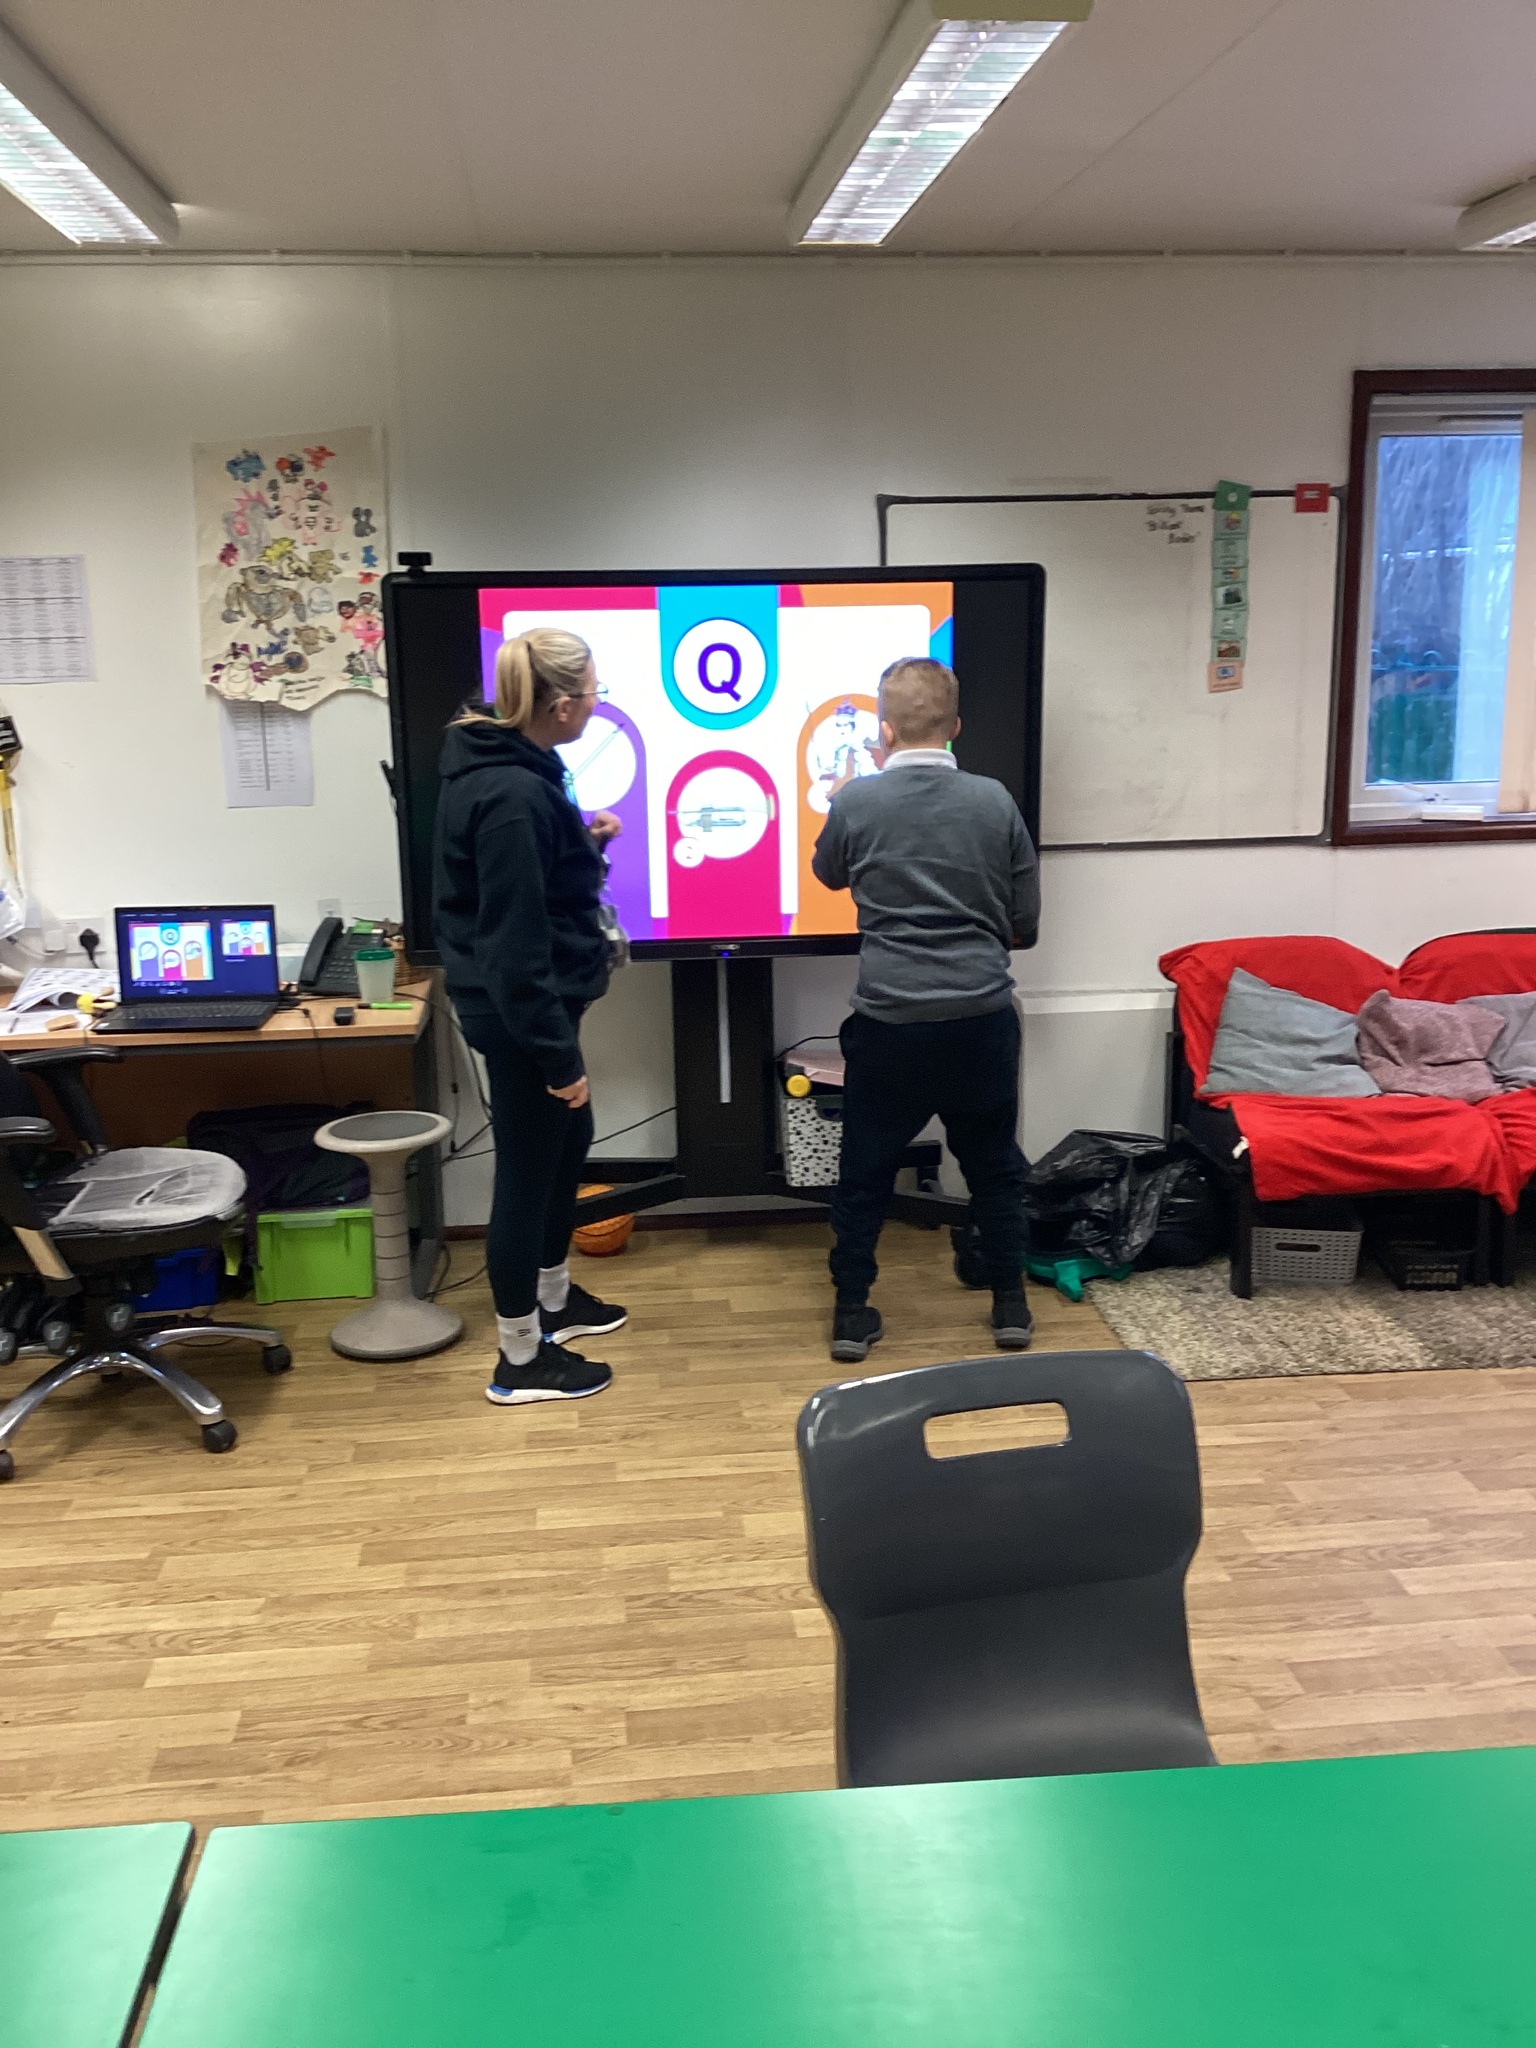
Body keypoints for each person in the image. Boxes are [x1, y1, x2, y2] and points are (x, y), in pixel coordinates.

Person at [811, 655, 1039, 1364]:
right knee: (995, 1167)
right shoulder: (995, 802)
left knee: (864, 1173)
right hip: (980, 1021)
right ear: (955, 726)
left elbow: (827, 873)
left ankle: (852, 1314)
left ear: (883, 731)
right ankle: (1010, 1307)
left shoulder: (857, 802)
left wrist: (843, 802)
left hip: (890, 1025)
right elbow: (1025, 924)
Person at [433, 627, 628, 1405]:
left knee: (567, 1143)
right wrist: (558, 1058)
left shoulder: (515, 764)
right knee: (526, 1172)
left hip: (531, 1004)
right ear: (561, 705)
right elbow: (513, 947)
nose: (597, 705)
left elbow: (531, 887)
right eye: (594, 694)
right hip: (519, 1014)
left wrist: (582, 844)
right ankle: (520, 1358)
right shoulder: (511, 795)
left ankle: (554, 1301)